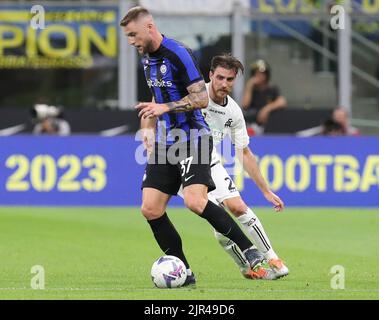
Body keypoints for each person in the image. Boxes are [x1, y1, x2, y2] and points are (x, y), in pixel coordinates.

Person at [120, 6, 275, 285]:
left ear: (149, 27)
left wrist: (164, 108)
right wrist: (147, 130)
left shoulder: (179, 54)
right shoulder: (147, 59)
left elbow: (201, 99)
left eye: (133, 34)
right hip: (167, 141)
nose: (131, 41)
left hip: (194, 137)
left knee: (195, 201)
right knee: (150, 209)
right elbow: (154, 104)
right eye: (128, 36)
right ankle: (185, 273)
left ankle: (250, 251)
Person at [191, 54, 288, 279]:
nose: (225, 84)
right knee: (218, 218)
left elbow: (244, 152)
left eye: (230, 79)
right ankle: (245, 265)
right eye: (220, 78)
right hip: (182, 163)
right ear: (210, 76)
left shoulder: (233, 111)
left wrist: (265, 190)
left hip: (209, 161)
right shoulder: (194, 96)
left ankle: (272, 257)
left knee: (237, 206)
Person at [241, 60, 287, 135]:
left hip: (269, 126)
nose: (259, 76)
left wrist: (266, 109)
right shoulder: (250, 89)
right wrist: (249, 85)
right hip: (251, 124)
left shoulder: (272, 89)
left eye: (262, 74)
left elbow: (282, 102)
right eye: (257, 73)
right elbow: (245, 105)